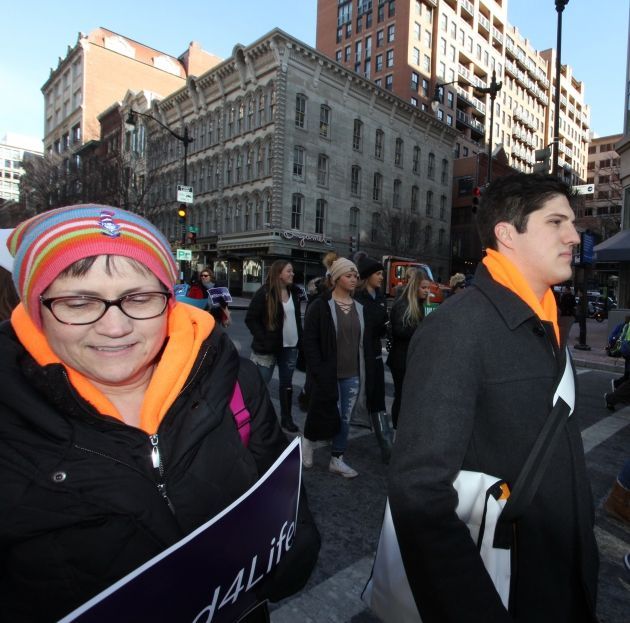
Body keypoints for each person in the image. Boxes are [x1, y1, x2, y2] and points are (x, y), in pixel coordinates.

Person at [0, 205, 318, 622]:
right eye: (78, 302)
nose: (115, 327)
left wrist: (285, 558)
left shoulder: (235, 384)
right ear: (37, 312)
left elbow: (288, 509)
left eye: (139, 298)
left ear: (168, 302)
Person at [388, 173, 598, 622]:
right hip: (507, 587)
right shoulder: (457, 329)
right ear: (507, 233)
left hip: (562, 578)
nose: (573, 236)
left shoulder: (546, 322)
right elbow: (419, 492)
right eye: (556, 222)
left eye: (572, 223)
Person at [302, 257, 364, 478]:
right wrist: (317, 369)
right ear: (337, 279)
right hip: (327, 372)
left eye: (355, 276)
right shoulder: (321, 306)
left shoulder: (359, 307)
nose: (354, 279)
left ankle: (337, 459)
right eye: (349, 275)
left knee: (345, 418)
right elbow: (309, 340)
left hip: (352, 373)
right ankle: (308, 441)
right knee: (323, 411)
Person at [245, 260, 303, 433]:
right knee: (260, 384)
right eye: (289, 271)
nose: (292, 274)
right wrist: (263, 338)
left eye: (292, 271)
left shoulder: (295, 292)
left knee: (287, 384)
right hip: (267, 348)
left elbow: (296, 320)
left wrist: (302, 340)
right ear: (279, 274)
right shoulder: (264, 293)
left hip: (290, 347)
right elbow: (251, 319)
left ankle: (286, 419)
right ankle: (254, 419)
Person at [354, 256, 393, 463]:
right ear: (368, 276)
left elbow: (382, 326)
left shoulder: (380, 297)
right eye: (378, 274)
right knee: (352, 398)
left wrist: (387, 327)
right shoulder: (357, 298)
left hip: (375, 354)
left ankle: (387, 447)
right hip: (358, 356)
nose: (381, 277)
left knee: (377, 399)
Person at [386, 268, 432, 429]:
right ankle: (397, 431)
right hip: (401, 360)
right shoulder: (403, 304)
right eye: (424, 287)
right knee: (402, 396)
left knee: (410, 396)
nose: (427, 291)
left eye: (428, 288)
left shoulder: (420, 304)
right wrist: (423, 331)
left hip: (412, 359)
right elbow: (399, 330)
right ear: (415, 287)